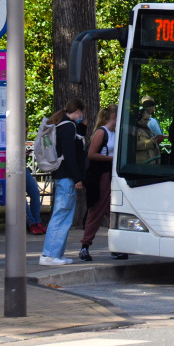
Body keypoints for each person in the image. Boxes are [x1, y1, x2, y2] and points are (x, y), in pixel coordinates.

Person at [39, 99, 86, 266]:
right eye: (82, 113)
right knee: (62, 216)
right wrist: (78, 178)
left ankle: (55, 253)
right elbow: (71, 155)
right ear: (78, 111)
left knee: (62, 215)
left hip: (61, 175)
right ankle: (50, 255)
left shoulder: (61, 125)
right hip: (67, 177)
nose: (82, 117)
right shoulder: (69, 127)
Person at [80, 105, 117, 262]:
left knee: (113, 211)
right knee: (98, 209)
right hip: (101, 175)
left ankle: (116, 246)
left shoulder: (115, 133)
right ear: (114, 116)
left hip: (112, 175)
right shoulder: (102, 132)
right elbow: (91, 154)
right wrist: (113, 159)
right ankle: (85, 246)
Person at [25, 168, 45, 235]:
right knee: (20, 197)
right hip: (9, 169)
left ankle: (37, 221)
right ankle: (31, 224)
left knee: (35, 193)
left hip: (22, 167)